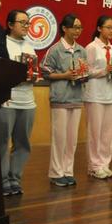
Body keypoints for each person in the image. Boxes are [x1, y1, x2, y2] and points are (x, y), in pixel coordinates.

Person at [41, 13, 86, 187]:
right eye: (75, 27)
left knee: (72, 140)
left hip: (77, 97)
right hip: (60, 98)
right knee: (59, 138)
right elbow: (45, 71)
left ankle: (68, 171)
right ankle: (56, 173)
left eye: (80, 27)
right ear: (65, 28)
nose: (78, 31)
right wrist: (65, 75)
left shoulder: (81, 50)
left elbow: (85, 71)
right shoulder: (55, 49)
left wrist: (83, 75)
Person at [0, 9, 37, 196]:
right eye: (22, 22)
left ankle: (15, 178)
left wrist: (34, 76)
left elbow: (33, 72)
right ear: (10, 24)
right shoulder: (2, 44)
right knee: (2, 143)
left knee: (23, 143)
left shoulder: (30, 47)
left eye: (28, 23)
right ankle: (2, 180)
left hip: (28, 101)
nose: (26, 26)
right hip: (8, 100)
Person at [83, 15, 112, 179]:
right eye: (108, 27)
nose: (111, 30)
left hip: (111, 94)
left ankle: (104, 164)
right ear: (99, 28)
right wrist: (104, 71)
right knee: (95, 133)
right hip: (95, 94)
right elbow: (86, 72)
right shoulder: (91, 47)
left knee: (107, 133)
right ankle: (94, 166)